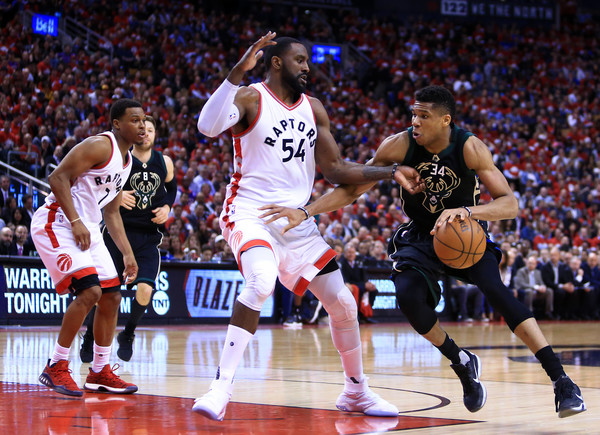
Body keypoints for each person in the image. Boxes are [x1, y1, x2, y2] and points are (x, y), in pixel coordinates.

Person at [261, 85, 586, 418]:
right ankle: (461, 361)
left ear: (445, 120)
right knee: (409, 300)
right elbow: (352, 190)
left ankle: (562, 381)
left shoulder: (469, 147)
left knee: (497, 292)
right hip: (419, 237)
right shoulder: (398, 145)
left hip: (464, 232)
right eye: (413, 114)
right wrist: (306, 211)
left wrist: (469, 212)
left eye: (424, 116)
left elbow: (510, 204)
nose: (415, 121)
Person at [191, 32, 418, 421]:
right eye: (300, 60)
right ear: (276, 62)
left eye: (308, 61)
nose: (307, 67)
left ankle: (356, 393)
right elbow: (207, 126)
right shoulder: (250, 97)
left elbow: (336, 170)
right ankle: (220, 387)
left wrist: (390, 170)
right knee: (261, 281)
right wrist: (236, 72)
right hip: (252, 213)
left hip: (297, 221)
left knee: (344, 303)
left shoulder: (314, 108)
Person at [31, 98, 143, 397]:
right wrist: (76, 220)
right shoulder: (99, 146)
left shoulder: (127, 161)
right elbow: (57, 177)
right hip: (58, 222)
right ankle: (55, 366)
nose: (142, 125)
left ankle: (99, 372)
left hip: (89, 228)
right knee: (90, 291)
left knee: (111, 295)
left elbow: (112, 212)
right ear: (116, 124)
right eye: (134, 119)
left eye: (144, 120)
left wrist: (128, 253)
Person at [80, 115, 176, 362]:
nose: (145, 132)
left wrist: (167, 207)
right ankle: (90, 335)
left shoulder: (164, 162)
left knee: (145, 290)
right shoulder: (121, 159)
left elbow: (172, 189)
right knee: (104, 293)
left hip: (147, 237)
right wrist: (117, 195)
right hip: (116, 234)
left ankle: (128, 334)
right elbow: (100, 183)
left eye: (150, 129)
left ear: (155, 135)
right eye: (141, 129)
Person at [514, 254, 555, 320]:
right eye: (529, 263)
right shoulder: (521, 271)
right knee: (529, 291)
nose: (531, 265)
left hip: (537, 293)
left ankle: (548, 312)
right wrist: (534, 287)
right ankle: (529, 313)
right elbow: (521, 284)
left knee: (549, 291)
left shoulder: (538, 272)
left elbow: (541, 282)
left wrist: (543, 287)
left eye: (533, 263)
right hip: (526, 291)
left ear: (536, 265)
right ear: (526, 263)